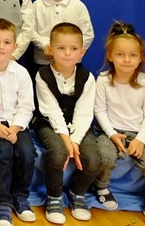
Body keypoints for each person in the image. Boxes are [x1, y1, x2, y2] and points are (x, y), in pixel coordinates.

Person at [93, 22, 145, 219]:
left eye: (132, 55)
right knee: (104, 158)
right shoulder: (103, 80)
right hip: (111, 132)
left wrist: (141, 140)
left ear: (140, 57)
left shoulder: (144, 83)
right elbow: (99, 110)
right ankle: (101, 187)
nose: (126, 60)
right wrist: (112, 134)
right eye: (120, 54)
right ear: (110, 56)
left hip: (139, 133)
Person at [32, 22, 102, 224]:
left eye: (73, 48)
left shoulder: (87, 78)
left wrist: (76, 141)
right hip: (48, 122)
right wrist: (66, 140)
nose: (67, 53)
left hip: (78, 125)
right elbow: (51, 111)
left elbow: (84, 113)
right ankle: (54, 196)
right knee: (58, 153)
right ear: (50, 50)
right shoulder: (42, 75)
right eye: (61, 48)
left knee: (93, 159)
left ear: (82, 52)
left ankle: (77, 193)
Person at [0, 19, 36, 226]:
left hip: (16, 124)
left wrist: (15, 128)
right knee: (2, 152)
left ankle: (20, 196)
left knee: (27, 152)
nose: (1, 47)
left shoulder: (21, 73)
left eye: (6, 42)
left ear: (14, 46)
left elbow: (26, 106)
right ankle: (3, 202)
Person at [31, 0, 94, 73]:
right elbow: (31, 31)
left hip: (72, 64)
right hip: (43, 63)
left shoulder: (78, 6)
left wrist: (72, 51)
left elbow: (88, 34)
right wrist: (45, 45)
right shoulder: (36, 6)